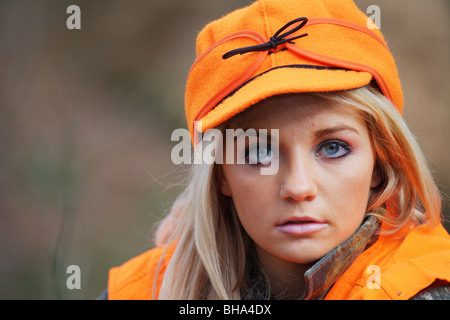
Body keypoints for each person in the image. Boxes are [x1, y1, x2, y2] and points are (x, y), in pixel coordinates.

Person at [102, 0, 450, 300]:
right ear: (221, 173)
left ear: (380, 162)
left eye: (333, 147)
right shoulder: (142, 290)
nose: (298, 188)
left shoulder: (426, 286)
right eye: (258, 154)